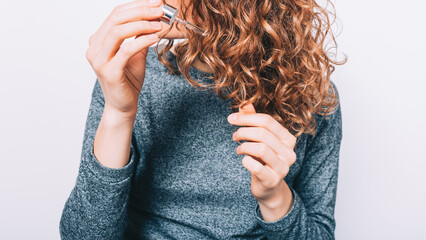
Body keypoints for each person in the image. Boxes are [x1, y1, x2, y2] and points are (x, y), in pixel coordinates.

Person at [59, 0, 345, 239]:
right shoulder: (131, 77)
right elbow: (82, 235)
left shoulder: (313, 96)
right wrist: (119, 114)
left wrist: (275, 197)